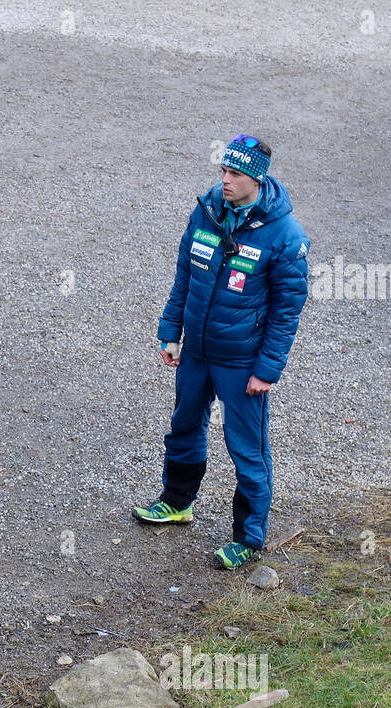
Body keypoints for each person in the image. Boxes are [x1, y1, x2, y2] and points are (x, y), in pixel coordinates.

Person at [132, 134, 310, 570]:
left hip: (243, 362)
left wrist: (267, 370)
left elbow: (288, 312)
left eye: (235, 174)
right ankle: (177, 503)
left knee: (246, 448)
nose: (225, 180)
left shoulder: (286, 236)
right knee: (184, 426)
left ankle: (248, 539)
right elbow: (184, 276)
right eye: (223, 171)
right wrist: (171, 331)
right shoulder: (208, 210)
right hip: (197, 352)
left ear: (257, 178)